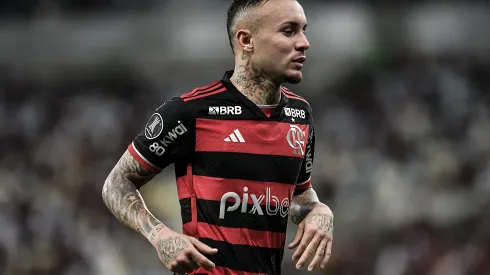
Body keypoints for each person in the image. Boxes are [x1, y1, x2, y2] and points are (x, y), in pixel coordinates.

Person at [102, 0, 334, 274]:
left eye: (304, 30)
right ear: (246, 40)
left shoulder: (300, 115)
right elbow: (116, 182)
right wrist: (160, 235)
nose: (304, 42)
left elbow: (296, 196)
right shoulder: (191, 112)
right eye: (289, 31)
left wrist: (318, 210)